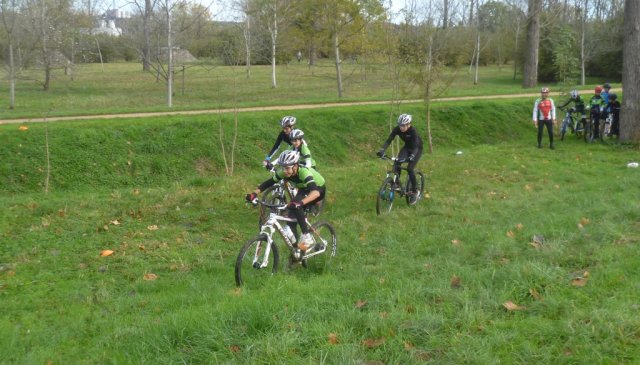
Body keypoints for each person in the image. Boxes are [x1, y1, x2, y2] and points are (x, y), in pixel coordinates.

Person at [246, 150, 326, 252]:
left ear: (295, 166)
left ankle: (307, 237)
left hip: (318, 189)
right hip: (303, 188)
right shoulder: (284, 172)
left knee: (297, 205)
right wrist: (254, 194)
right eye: (283, 167)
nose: (284, 171)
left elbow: (315, 193)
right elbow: (269, 183)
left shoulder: (304, 172)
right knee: (291, 222)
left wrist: (300, 203)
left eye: (287, 168)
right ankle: (297, 252)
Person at [376, 114, 423, 204]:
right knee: (397, 162)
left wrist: (412, 156)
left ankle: (414, 191)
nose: (401, 127)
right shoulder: (397, 129)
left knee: (410, 169)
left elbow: (416, 146)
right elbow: (389, 140)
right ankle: (396, 183)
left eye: (403, 125)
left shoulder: (413, 131)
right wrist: (382, 150)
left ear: (409, 124)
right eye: (400, 125)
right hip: (406, 147)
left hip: (417, 149)